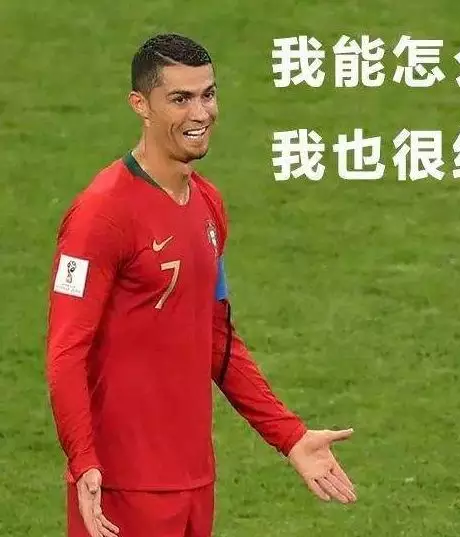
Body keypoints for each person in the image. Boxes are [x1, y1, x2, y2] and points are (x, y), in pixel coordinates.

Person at [46, 33, 356, 537]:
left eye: (207, 94)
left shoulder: (208, 204)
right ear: (140, 105)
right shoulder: (99, 216)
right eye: (180, 98)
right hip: (121, 487)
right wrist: (83, 460)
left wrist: (289, 435)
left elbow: (217, 338)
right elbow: (65, 351)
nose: (200, 112)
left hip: (194, 482)